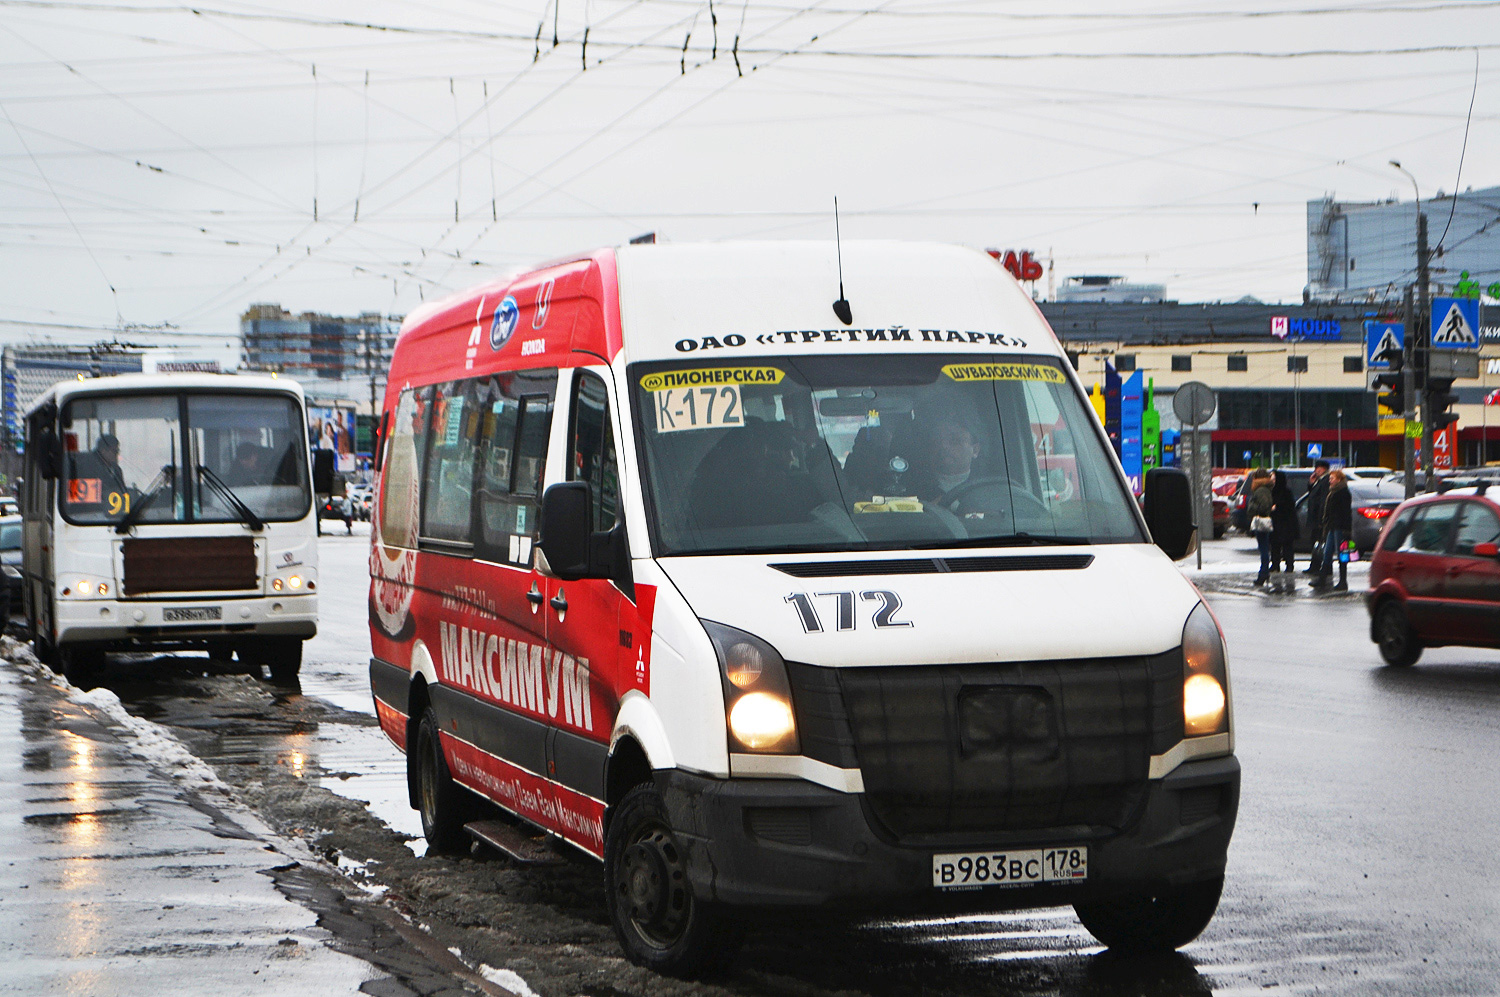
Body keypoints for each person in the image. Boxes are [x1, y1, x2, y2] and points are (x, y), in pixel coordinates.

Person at [1311, 469, 1352, 591]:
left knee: (1342, 554)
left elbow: (1346, 513)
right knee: (1327, 552)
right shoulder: (1333, 492)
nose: (1330, 480)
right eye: (1330, 478)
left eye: (1332, 478)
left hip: (1340, 527)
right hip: (1332, 527)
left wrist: (1346, 529)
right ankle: (1322, 579)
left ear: (1339, 480)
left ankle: (1343, 581)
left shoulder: (1343, 493)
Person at [1269, 469, 1299, 584]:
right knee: (1275, 545)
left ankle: (1289, 565)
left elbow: (1289, 506)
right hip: (1276, 523)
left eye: (1274, 478)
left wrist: (1277, 507)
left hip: (1286, 523)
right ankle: (1275, 564)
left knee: (1287, 545)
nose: (1272, 480)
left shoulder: (1286, 492)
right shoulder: (1272, 490)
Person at [1302, 459, 1331, 575]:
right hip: (1315, 519)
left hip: (1319, 520)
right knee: (1315, 543)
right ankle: (1315, 565)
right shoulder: (1319, 481)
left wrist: (1321, 519)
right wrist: (1311, 484)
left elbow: (1323, 501)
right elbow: (1313, 495)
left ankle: (1320, 566)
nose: (1316, 471)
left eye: (1318, 468)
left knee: (1320, 544)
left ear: (1324, 469)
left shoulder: (1325, 481)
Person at [1245, 468, 1274, 585]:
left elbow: (1263, 506)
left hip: (1261, 521)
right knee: (1264, 548)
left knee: (1263, 549)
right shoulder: (1265, 489)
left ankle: (1263, 574)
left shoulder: (1261, 490)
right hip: (1263, 520)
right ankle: (1264, 573)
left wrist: (1252, 507)